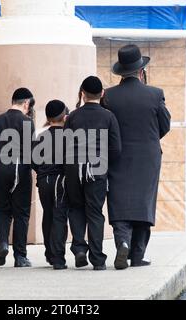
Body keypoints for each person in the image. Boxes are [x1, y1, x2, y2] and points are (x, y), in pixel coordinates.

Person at [104, 44, 171, 269]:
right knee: (144, 203)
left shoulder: (109, 96)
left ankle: (122, 241)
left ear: (121, 71)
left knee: (119, 200)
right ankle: (137, 255)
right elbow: (165, 125)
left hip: (117, 157)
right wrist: (149, 139)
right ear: (141, 70)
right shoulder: (155, 94)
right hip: (147, 158)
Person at [64, 76, 122, 271]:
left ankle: (80, 249)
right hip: (97, 168)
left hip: (74, 167)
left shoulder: (72, 116)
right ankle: (98, 259)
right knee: (95, 213)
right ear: (102, 93)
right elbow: (116, 149)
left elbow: (64, 145)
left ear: (82, 94)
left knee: (76, 208)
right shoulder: (109, 117)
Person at [0, 88, 36, 268]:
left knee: (2, 209)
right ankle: (20, 256)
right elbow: (31, 151)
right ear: (26, 103)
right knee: (22, 213)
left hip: (0, 168)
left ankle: (2, 243)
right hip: (20, 169)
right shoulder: (27, 122)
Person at [33, 100, 70, 270]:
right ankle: (58, 258)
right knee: (59, 217)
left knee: (48, 215)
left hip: (43, 181)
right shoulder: (68, 136)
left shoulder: (40, 137)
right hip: (59, 181)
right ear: (64, 116)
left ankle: (49, 253)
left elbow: (33, 160)